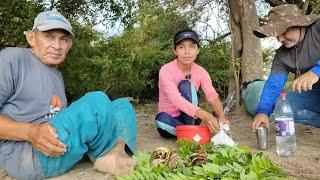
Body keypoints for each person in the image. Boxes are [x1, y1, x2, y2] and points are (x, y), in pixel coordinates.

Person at [0, 10, 137, 179]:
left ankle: (115, 152)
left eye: (63, 39)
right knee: (97, 99)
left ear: (69, 44)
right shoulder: (12, 59)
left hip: (58, 141)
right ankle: (106, 154)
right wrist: (30, 132)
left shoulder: (56, 74)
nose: (57, 46)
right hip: (28, 153)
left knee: (122, 105)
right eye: (49, 37)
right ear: (31, 38)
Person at [251, 4, 320, 132]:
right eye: (276, 34)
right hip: (315, 94)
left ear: (299, 24)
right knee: (283, 105)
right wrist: (263, 112)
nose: (279, 39)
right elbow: (273, 85)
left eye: (282, 31)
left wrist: (316, 71)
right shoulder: (282, 55)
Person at [155, 29, 230, 138]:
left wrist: (221, 116)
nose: (187, 51)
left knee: (186, 85)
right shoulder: (166, 70)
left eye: (192, 46)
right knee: (161, 120)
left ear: (198, 50)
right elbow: (176, 100)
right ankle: (193, 132)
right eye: (181, 47)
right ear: (175, 51)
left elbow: (212, 95)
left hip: (192, 117)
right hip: (171, 119)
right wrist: (205, 115)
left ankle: (189, 131)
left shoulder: (201, 71)